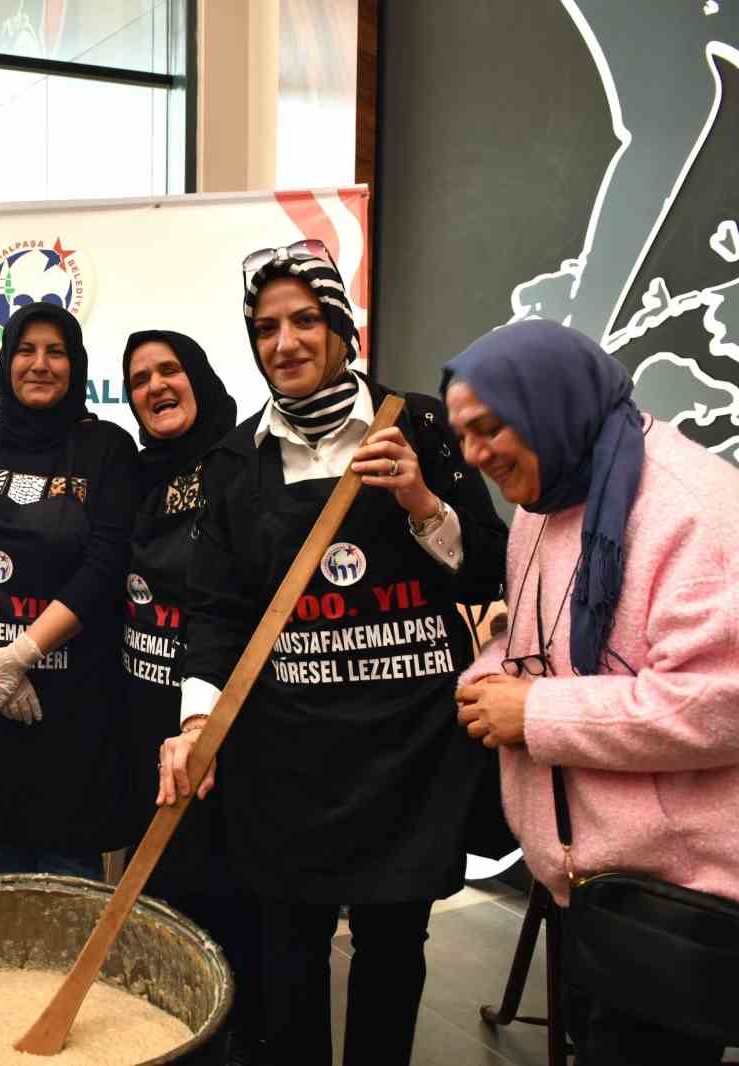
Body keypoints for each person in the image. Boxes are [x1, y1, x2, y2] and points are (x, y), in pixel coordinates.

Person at [159, 242, 507, 1066]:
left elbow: (492, 565)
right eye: (266, 327)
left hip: (407, 753)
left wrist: (423, 502)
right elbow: (215, 613)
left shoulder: (416, 422)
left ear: (341, 328)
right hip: (288, 758)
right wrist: (197, 721)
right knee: (289, 952)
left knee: (394, 946)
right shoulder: (235, 463)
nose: (286, 342)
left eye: (305, 320)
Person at [447, 318, 739, 1066]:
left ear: (551, 403)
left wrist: (534, 712)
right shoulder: (550, 496)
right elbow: (536, 645)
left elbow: (716, 703)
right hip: (589, 884)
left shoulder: (697, 511)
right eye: (463, 435)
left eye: (489, 428)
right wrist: (492, 679)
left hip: (676, 899)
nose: (475, 455)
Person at [0, 302, 137, 879]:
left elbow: (105, 563)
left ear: (76, 365)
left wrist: (23, 654)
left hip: (74, 709)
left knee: (70, 876)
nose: (39, 364)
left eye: (56, 351)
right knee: (5, 870)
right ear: (5, 362)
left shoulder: (108, 449)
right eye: (26, 350)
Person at [119, 330, 262, 1063]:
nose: (155, 386)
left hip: (226, 728)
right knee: (170, 901)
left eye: (170, 369)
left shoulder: (242, 462)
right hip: (149, 719)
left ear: (199, 376)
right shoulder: (137, 476)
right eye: (139, 377)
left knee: (233, 905)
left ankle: (237, 1038)